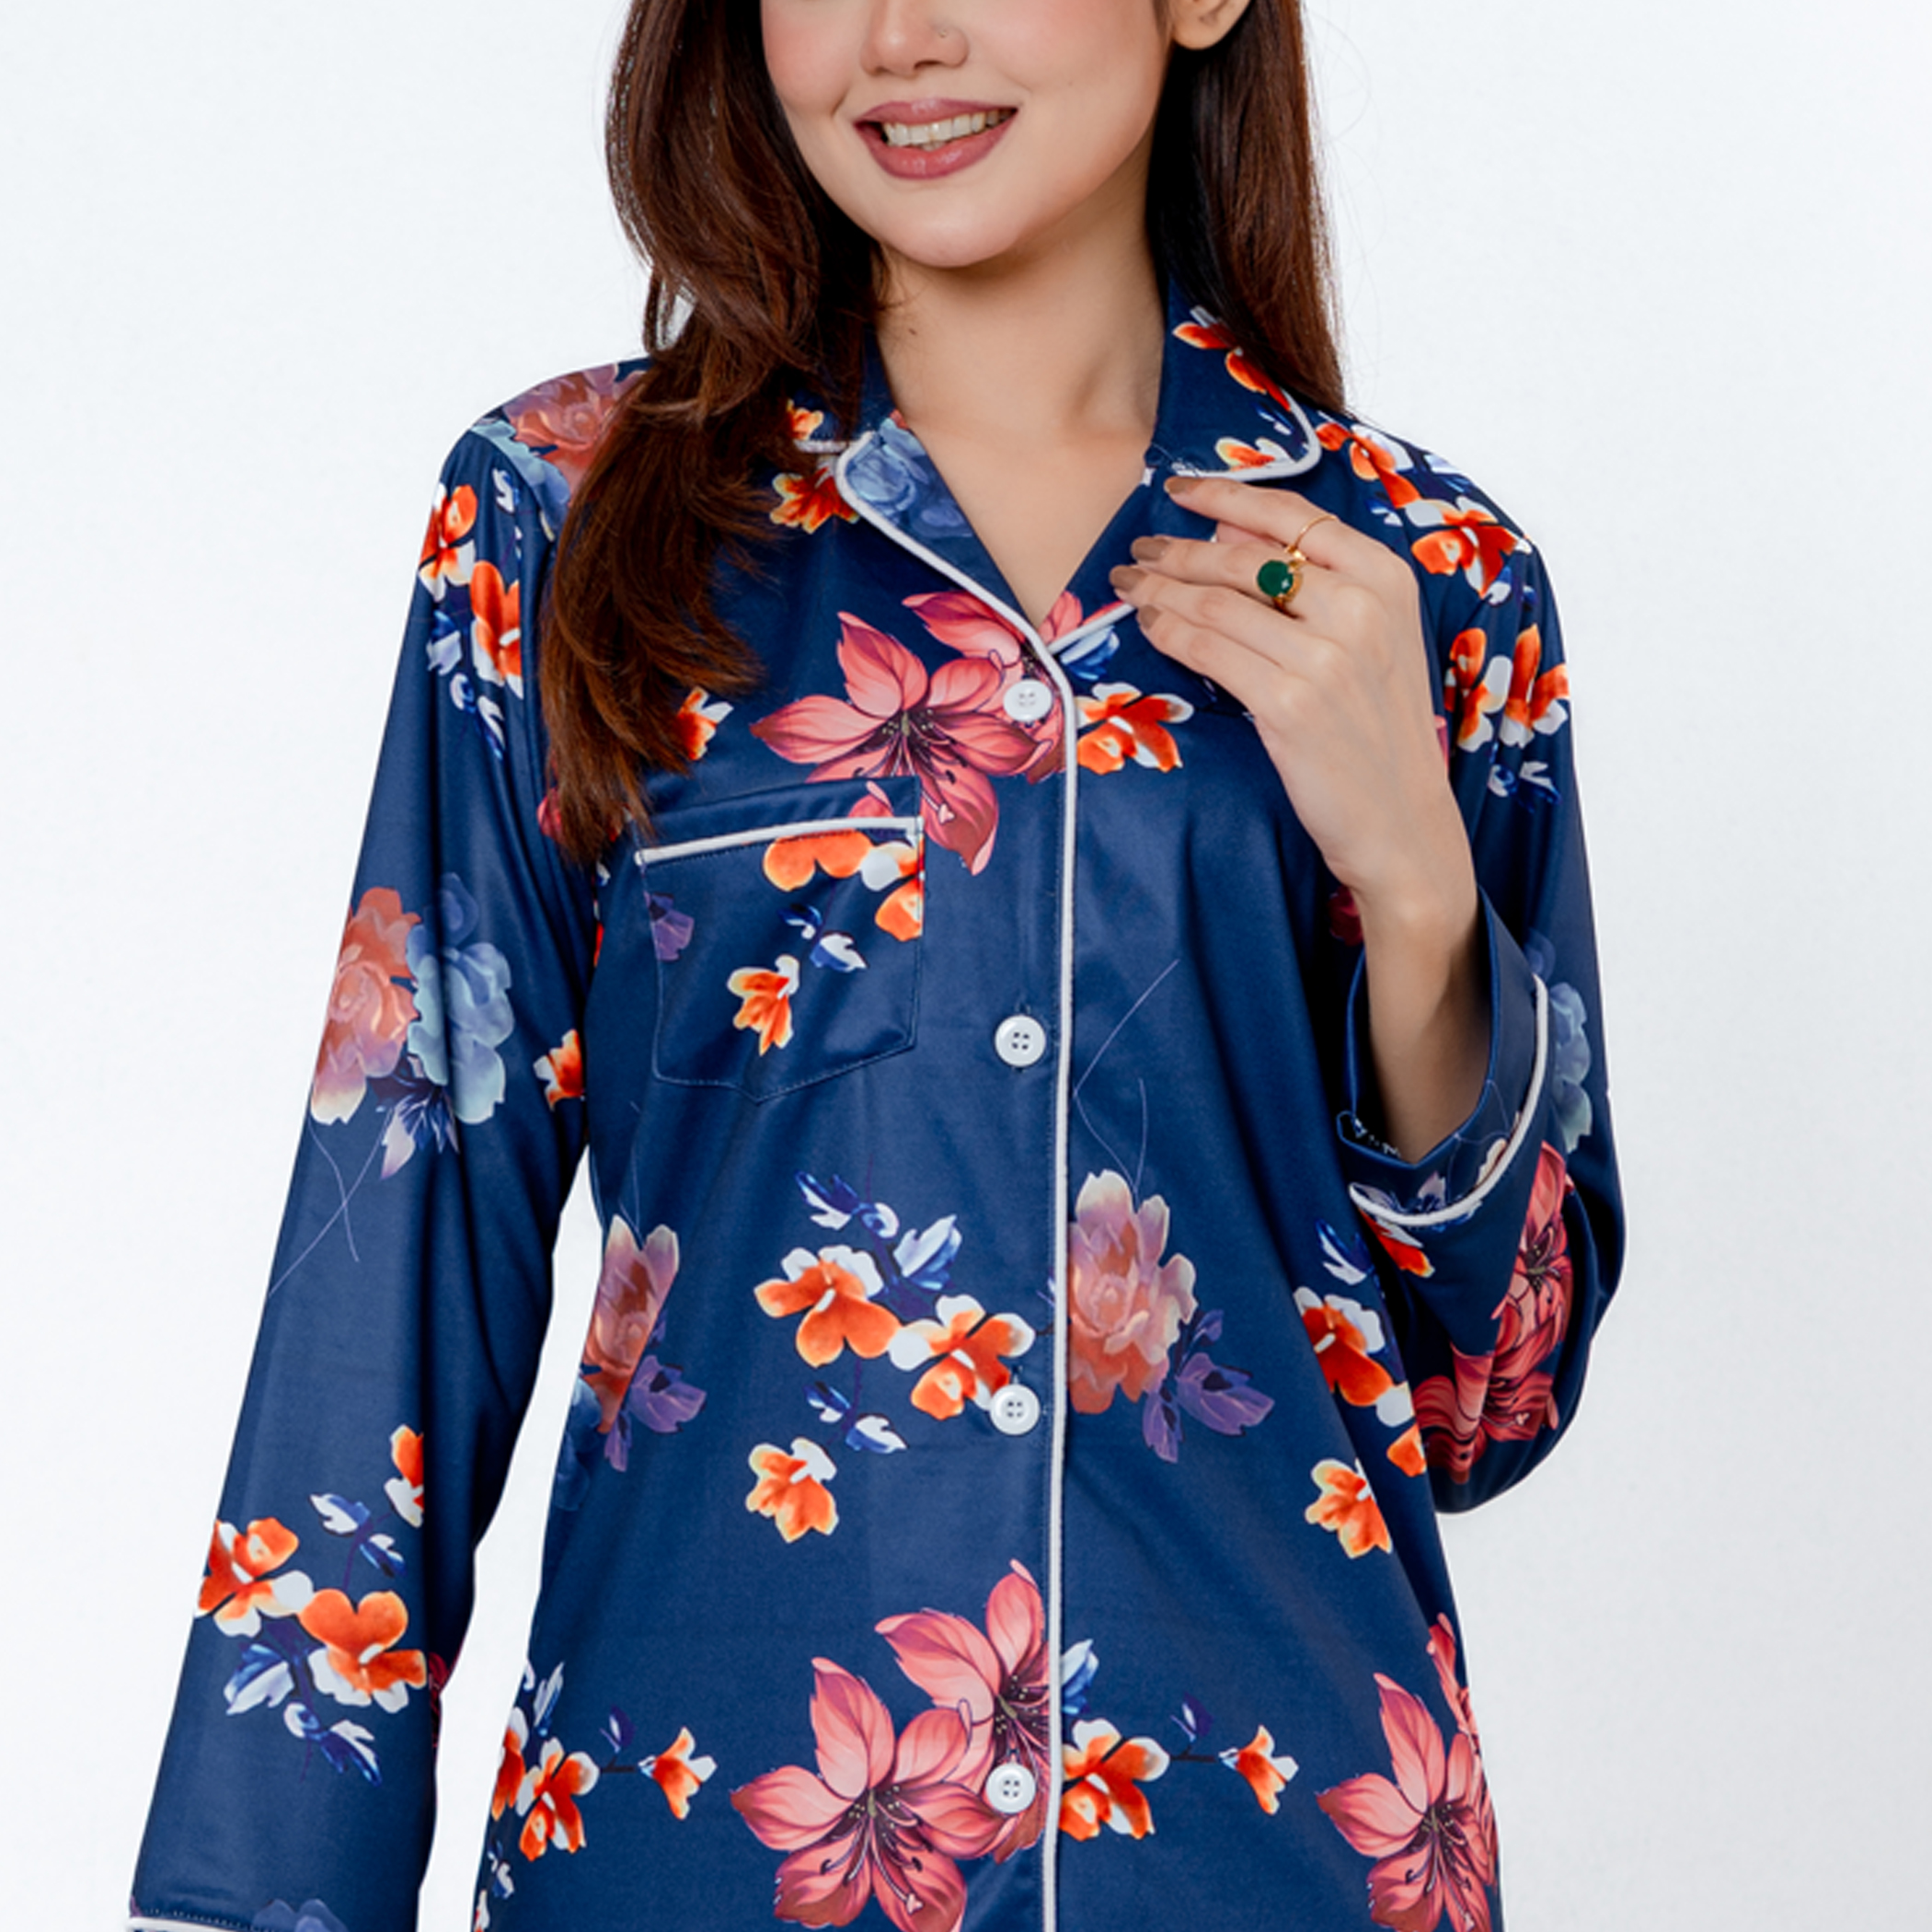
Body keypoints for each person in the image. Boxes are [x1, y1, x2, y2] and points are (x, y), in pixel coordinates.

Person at [131, 1, 1621, 1928]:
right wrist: (268, 1896)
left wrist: (1416, 891)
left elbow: (1490, 1405)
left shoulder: (1422, 576)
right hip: (699, 1847)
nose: (900, 36)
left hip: (1267, 1854)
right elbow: (398, 1247)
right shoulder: (568, 519)